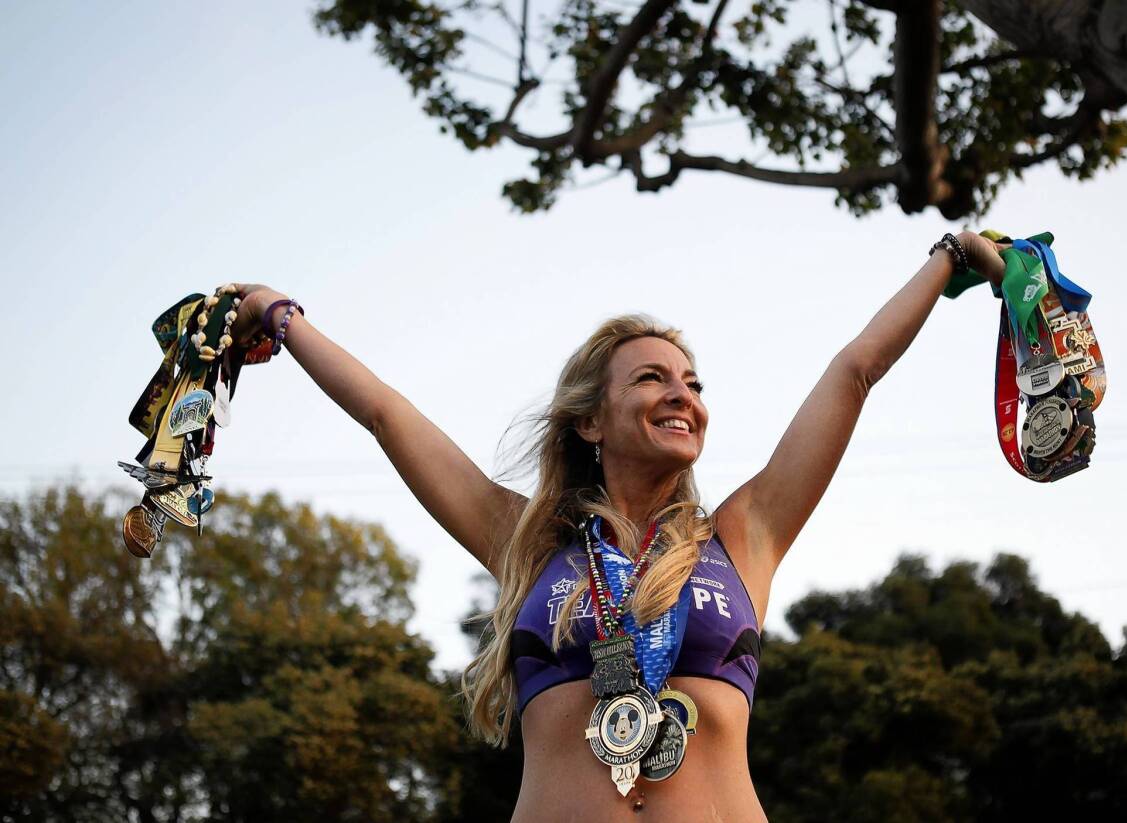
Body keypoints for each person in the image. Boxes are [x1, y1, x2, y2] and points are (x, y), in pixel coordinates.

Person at [230, 232, 1007, 821]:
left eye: (693, 383)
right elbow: (385, 413)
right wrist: (280, 313)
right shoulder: (528, 543)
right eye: (652, 378)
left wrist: (947, 258)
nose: (684, 395)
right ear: (592, 422)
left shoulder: (744, 535)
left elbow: (855, 370)